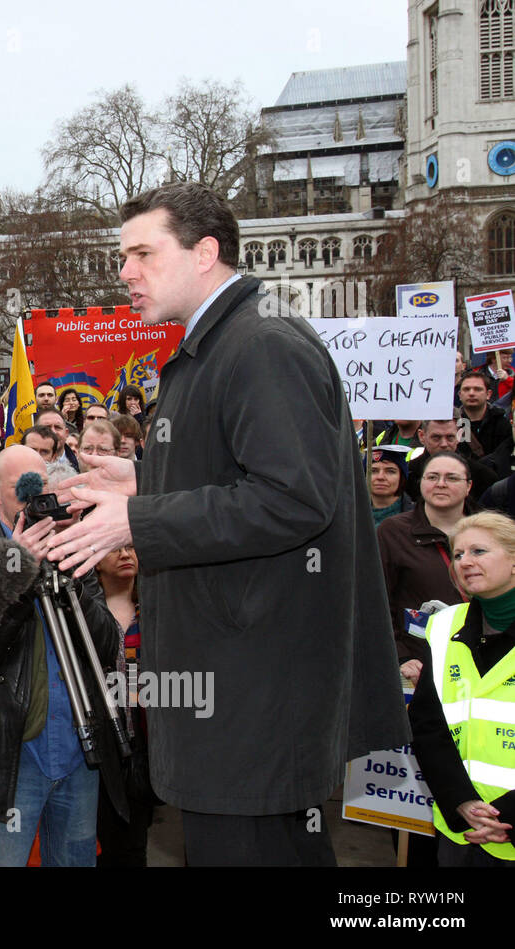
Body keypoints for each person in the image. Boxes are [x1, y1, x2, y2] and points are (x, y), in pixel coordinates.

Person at [50, 182, 408, 865]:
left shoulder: (261, 343)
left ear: (204, 251)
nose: (125, 272)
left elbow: (293, 499)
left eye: (142, 254)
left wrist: (139, 519)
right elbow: (236, 477)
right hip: (236, 695)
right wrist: (145, 479)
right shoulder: (217, 344)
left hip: (255, 704)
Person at [0, 445, 123, 866]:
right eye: (21, 489)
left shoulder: (69, 547)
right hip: (12, 750)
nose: (33, 499)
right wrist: (17, 563)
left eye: (39, 487)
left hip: (79, 746)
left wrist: (69, 566)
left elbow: (106, 645)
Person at [408, 511, 515, 866]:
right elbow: (428, 726)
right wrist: (461, 801)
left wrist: (506, 817)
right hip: (462, 829)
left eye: (479, 552)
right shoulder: (442, 626)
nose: (465, 562)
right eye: (458, 555)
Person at [378, 450, 471, 685]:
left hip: (479, 661)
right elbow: (376, 601)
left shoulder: (491, 531)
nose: (440, 484)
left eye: (451, 478)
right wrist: (401, 656)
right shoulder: (393, 532)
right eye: (432, 477)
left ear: (469, 486)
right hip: (419, 667)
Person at [95, 543, 155, 867]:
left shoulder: (154, 612)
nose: (125, 554)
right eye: (114, 548)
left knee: (132, 847)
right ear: (96, 563)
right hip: (97, 748)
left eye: (132, 546)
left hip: (140, 748)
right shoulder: (83, 613)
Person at [368, 445, 414, 526]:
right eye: (374, 471)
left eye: (390, 471)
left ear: (401, 477)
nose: (380, 477)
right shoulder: (348, 513)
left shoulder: (419, 516)